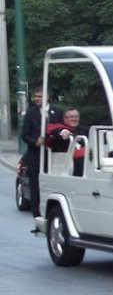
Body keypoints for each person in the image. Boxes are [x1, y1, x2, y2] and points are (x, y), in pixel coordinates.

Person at [21, 86, 62, 231]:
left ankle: (53, 217)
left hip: (53, 156)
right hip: (36, 156)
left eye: (39, 96)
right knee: (36, 188)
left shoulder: (57, 112)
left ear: (47, 97)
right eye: (35, 97)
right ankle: (38, 219)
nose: (37, 99)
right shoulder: (31, 114)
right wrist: (34, 142)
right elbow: (24, 134)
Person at [45, 108, 88, 177]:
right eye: (71, 117)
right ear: (64, 118)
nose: (74, 119)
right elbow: (57, 131)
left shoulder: (84, 129)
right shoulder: (57, 128)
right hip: (64, 163)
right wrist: (63, 132)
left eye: (76, 116)